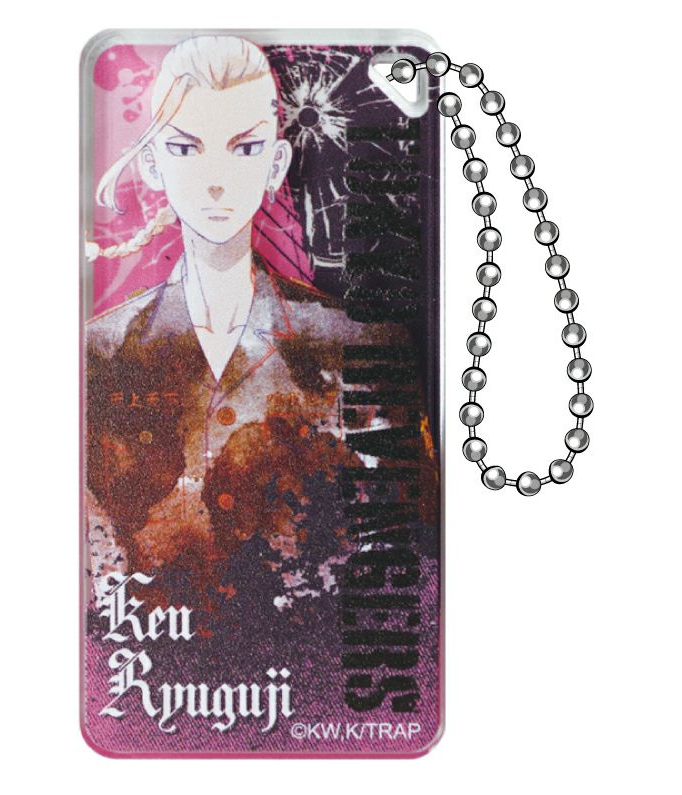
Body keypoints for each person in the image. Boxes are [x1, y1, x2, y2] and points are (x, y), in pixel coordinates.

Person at [84, 34, 436, 643]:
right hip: (149, 665)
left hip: (317, 659)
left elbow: (412, 573)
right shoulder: (98, 353)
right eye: (186, 148)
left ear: (275, 165)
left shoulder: (356, 347)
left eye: (243, 148)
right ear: (153, 164)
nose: (216, 181)